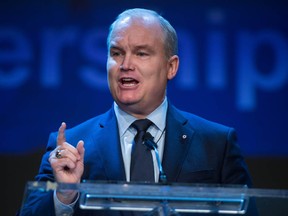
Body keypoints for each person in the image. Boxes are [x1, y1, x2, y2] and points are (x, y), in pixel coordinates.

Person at [20, 8, 255, 216]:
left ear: (170, 67)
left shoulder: (216, 144)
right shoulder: (70, 147)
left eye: (141, 53)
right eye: (116, 53)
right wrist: (65, 197)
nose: (125, 65)